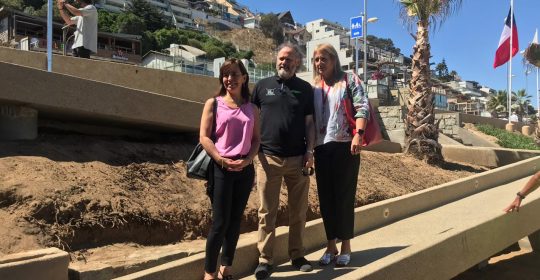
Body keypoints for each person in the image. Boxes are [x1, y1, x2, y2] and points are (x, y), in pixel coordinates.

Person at [252, 43, 315, 279]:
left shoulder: (305, 89)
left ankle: (297, 255)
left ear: (297, 62)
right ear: (275, 59)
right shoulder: (261, 87)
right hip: (268, 159)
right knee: (266, 212)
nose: (284, 63)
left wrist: (310, 152)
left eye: (289, 59)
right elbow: (251, 119)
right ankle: (265, 260)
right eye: (281, 58)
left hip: (298, 159)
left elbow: (309, 124)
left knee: (298, 212)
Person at [199, 59, 261, 280]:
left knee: (235, 221)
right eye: (225, 75)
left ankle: (227, 266)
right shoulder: (213, 104)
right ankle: (209, 273)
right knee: (220, 223)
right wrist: (220, 159)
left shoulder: (252, 108)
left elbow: (256, 140)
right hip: (221, 169)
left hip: (244, 170)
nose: (229, 79)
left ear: (244, 78)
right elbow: (204, 137)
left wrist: (248, 160)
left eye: (234, 74)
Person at [311, 43, 369, 267]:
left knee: (344, 196)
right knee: (326, 199)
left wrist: (359, 134)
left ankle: (346, 246)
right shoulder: (315, 87)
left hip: (346, 145)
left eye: (324, 58)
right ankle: (330, 246)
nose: (319, 63)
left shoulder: (349, 79)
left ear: (334, 60)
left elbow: (362, 106)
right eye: (316, 59)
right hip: (321, 147)